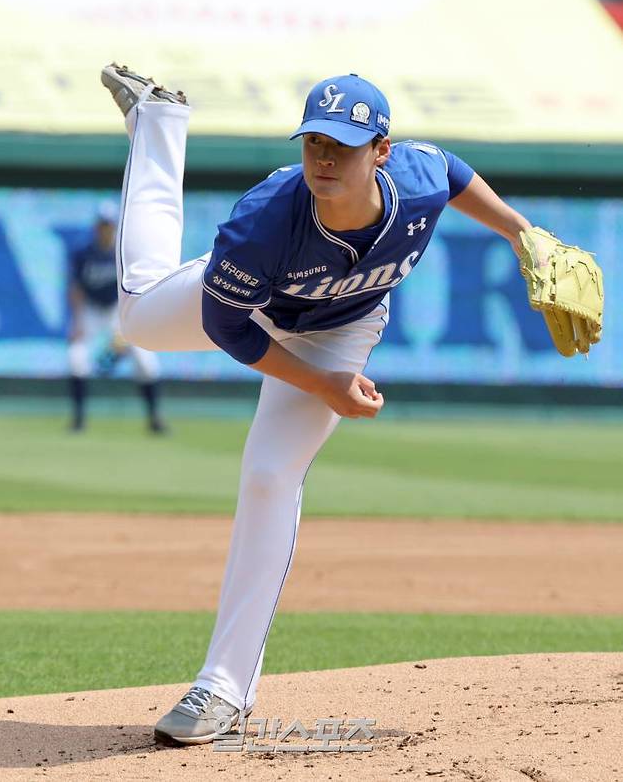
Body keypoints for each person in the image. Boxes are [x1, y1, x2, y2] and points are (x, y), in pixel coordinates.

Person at [100, 63, 533, 744]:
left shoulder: (415, 179)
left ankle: (222, 686)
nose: (325, 158)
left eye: (343, 145)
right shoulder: (263, 224)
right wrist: (323, 386)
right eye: (314, 142)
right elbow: (229, 329)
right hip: (254, 311)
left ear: (381, 151)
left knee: (271, 474)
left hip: (341, 326)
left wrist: (520, 232)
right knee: (135, 319)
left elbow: (450, 170)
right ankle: (157, 121)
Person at [67, 201, 167, 433]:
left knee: (145, 361)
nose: (105, 229)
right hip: (91, 311)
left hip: (118, 310)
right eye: (102, 224)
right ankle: (78, 420)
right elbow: (75, 289)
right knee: (76, 358)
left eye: (109, 225)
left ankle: (154, 419)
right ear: (96, 227)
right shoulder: (83, 253)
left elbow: (138, 286)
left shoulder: (124, 253)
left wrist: (128, 327)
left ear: (116, 227)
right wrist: (78, 321)